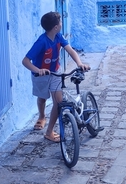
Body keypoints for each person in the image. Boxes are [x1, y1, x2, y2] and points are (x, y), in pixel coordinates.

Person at [22, 11, 89, 142]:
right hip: (40, 75)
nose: (61, 24)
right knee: (42, 98)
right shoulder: (41, 42)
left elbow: (70, 50)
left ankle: (49, 131)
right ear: (56, 27)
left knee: (58, 102)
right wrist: (38, 70)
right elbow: (25, 61)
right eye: (60, 22)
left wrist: (79, 63)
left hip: (55, 72)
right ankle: (42, 116)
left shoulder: (59, 37)